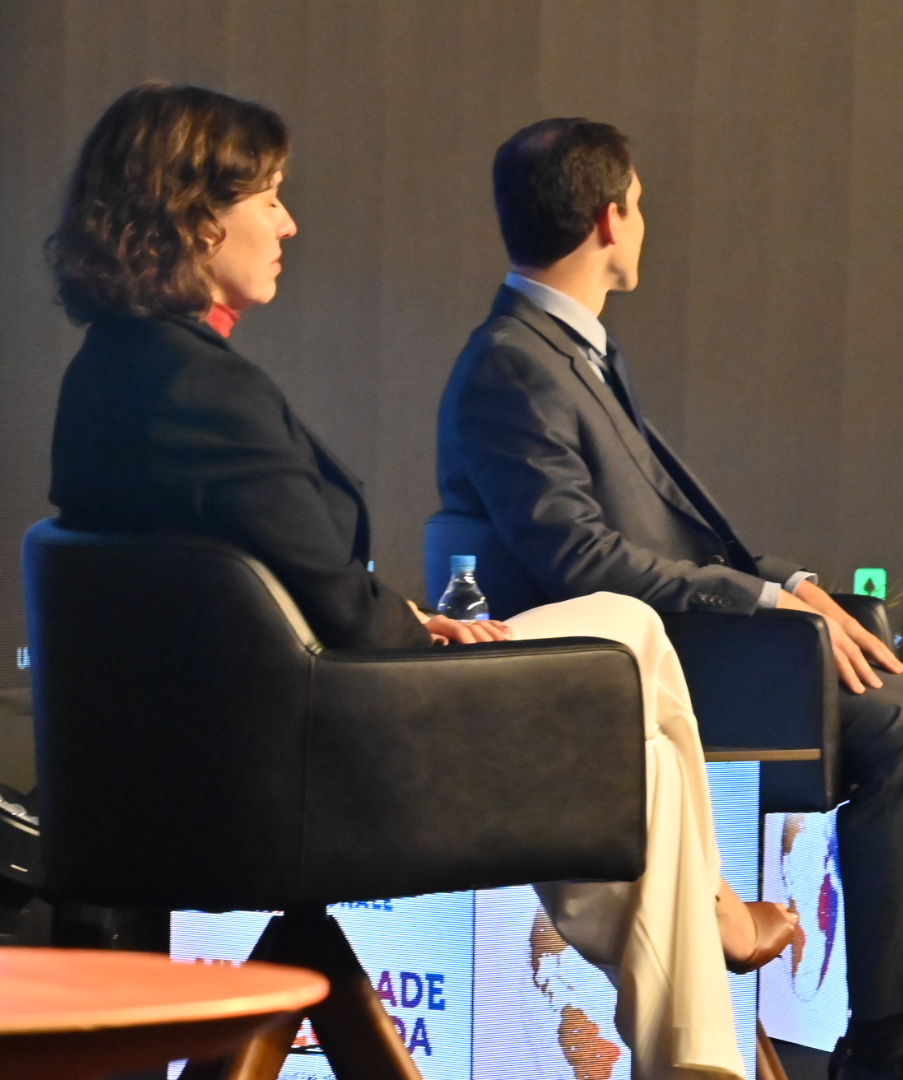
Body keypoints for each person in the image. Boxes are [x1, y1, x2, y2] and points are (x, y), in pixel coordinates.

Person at [45, 83, 790, 1080]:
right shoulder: (194, 388)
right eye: (269, 198)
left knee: (626, 653)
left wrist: (407, 621)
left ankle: (702, 1003)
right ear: (195, 215)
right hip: (310, 765)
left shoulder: (116, 373)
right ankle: (706, 976)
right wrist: (415, 635)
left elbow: (272, 582)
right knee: (627, 649)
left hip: (247, 748)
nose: (288, 224)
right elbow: (317, 598)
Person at [433, 118, 903, 1080]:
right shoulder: (514, 363)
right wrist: (761, 603)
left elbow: (669, 527)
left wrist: (790, 586)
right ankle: (882, 1045)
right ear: (609, 219)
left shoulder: (573, 352)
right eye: (638, 204)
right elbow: (579, 559)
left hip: (696, 643)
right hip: (630, 675)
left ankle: (892, 1029)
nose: (643, 222)